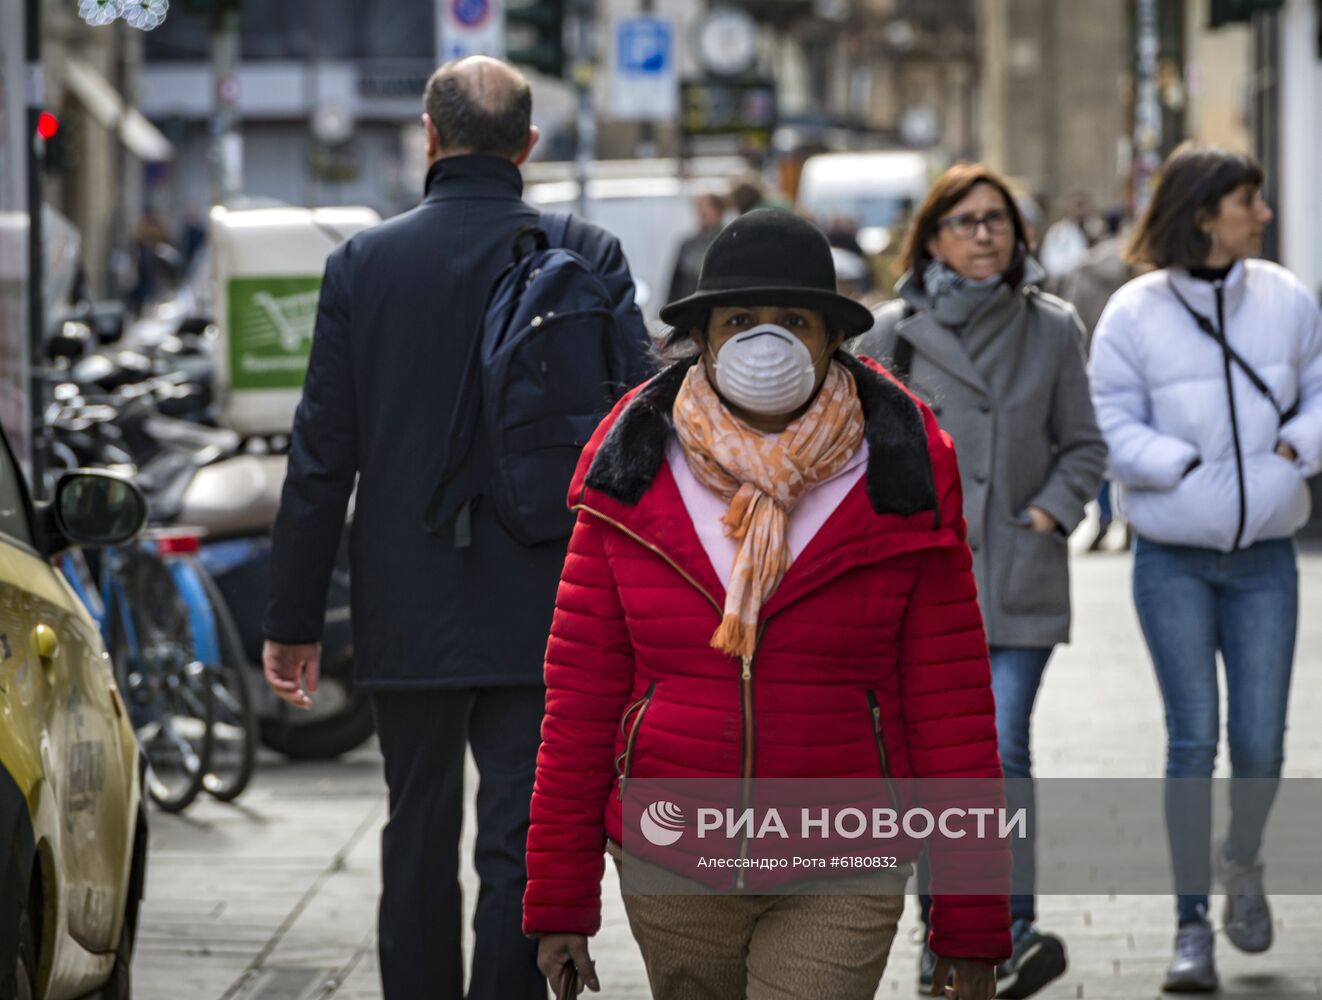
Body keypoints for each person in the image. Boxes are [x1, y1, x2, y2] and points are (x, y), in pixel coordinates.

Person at [521, 208, 1011, 1000]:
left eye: (793, 320)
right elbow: (579, 703)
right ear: (704, 337)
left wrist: (971, 919)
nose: (766, 342)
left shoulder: (902, 473)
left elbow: (949, 707)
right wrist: (559, 902)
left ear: (831, 339)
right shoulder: (630, 471)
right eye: (741, 319)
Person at [261, 56, 651, 1000]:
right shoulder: (587, 253)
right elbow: (640, 435)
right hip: (549, 598)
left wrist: (294, 619)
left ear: (429, 139)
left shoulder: (363, 263)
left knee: (416, 826)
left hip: (408, 594)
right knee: (524, 834)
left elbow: (322, 455)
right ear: (529, 145)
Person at [852, 163, 1107, 999]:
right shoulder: (891, 333)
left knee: (997, 748)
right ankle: (947, 937)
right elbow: (852, 455)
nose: (985, 233)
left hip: (1017, 575)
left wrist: (1048, 512)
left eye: (998, 218)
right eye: (964, 220)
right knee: (940, 766)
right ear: (931, 237)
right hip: (924, 586)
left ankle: (1012, 926)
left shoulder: (1053, 326)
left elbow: (1084, 445)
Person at [1088, 143, 1322, 993]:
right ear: (1203, 213)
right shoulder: (1134, 311)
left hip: (1265, 556)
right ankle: (1191, 927)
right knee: (1194, 740)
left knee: (1260, 745)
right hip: (1172, 558)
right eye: (1248, 201)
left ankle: (1245, 862)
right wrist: (1177, 468)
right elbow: (1107, 413)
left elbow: (1321, 388)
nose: (1262, 214)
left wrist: (1296, 447)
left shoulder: (1287, 297)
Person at [666, 192, 726, 303]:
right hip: (689, 305)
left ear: (719, 212)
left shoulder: (727, 242)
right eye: (699, 211)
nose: (701, 215)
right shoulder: (688, 244)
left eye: (705, 212)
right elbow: (676, 282)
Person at [1038, 191, 1105, 279]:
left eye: (1082, 205)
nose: (1080, 210)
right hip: (1065, 282)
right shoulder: (1058, 232)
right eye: (1077, 205)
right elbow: (1051, 263)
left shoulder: (1097, 229)